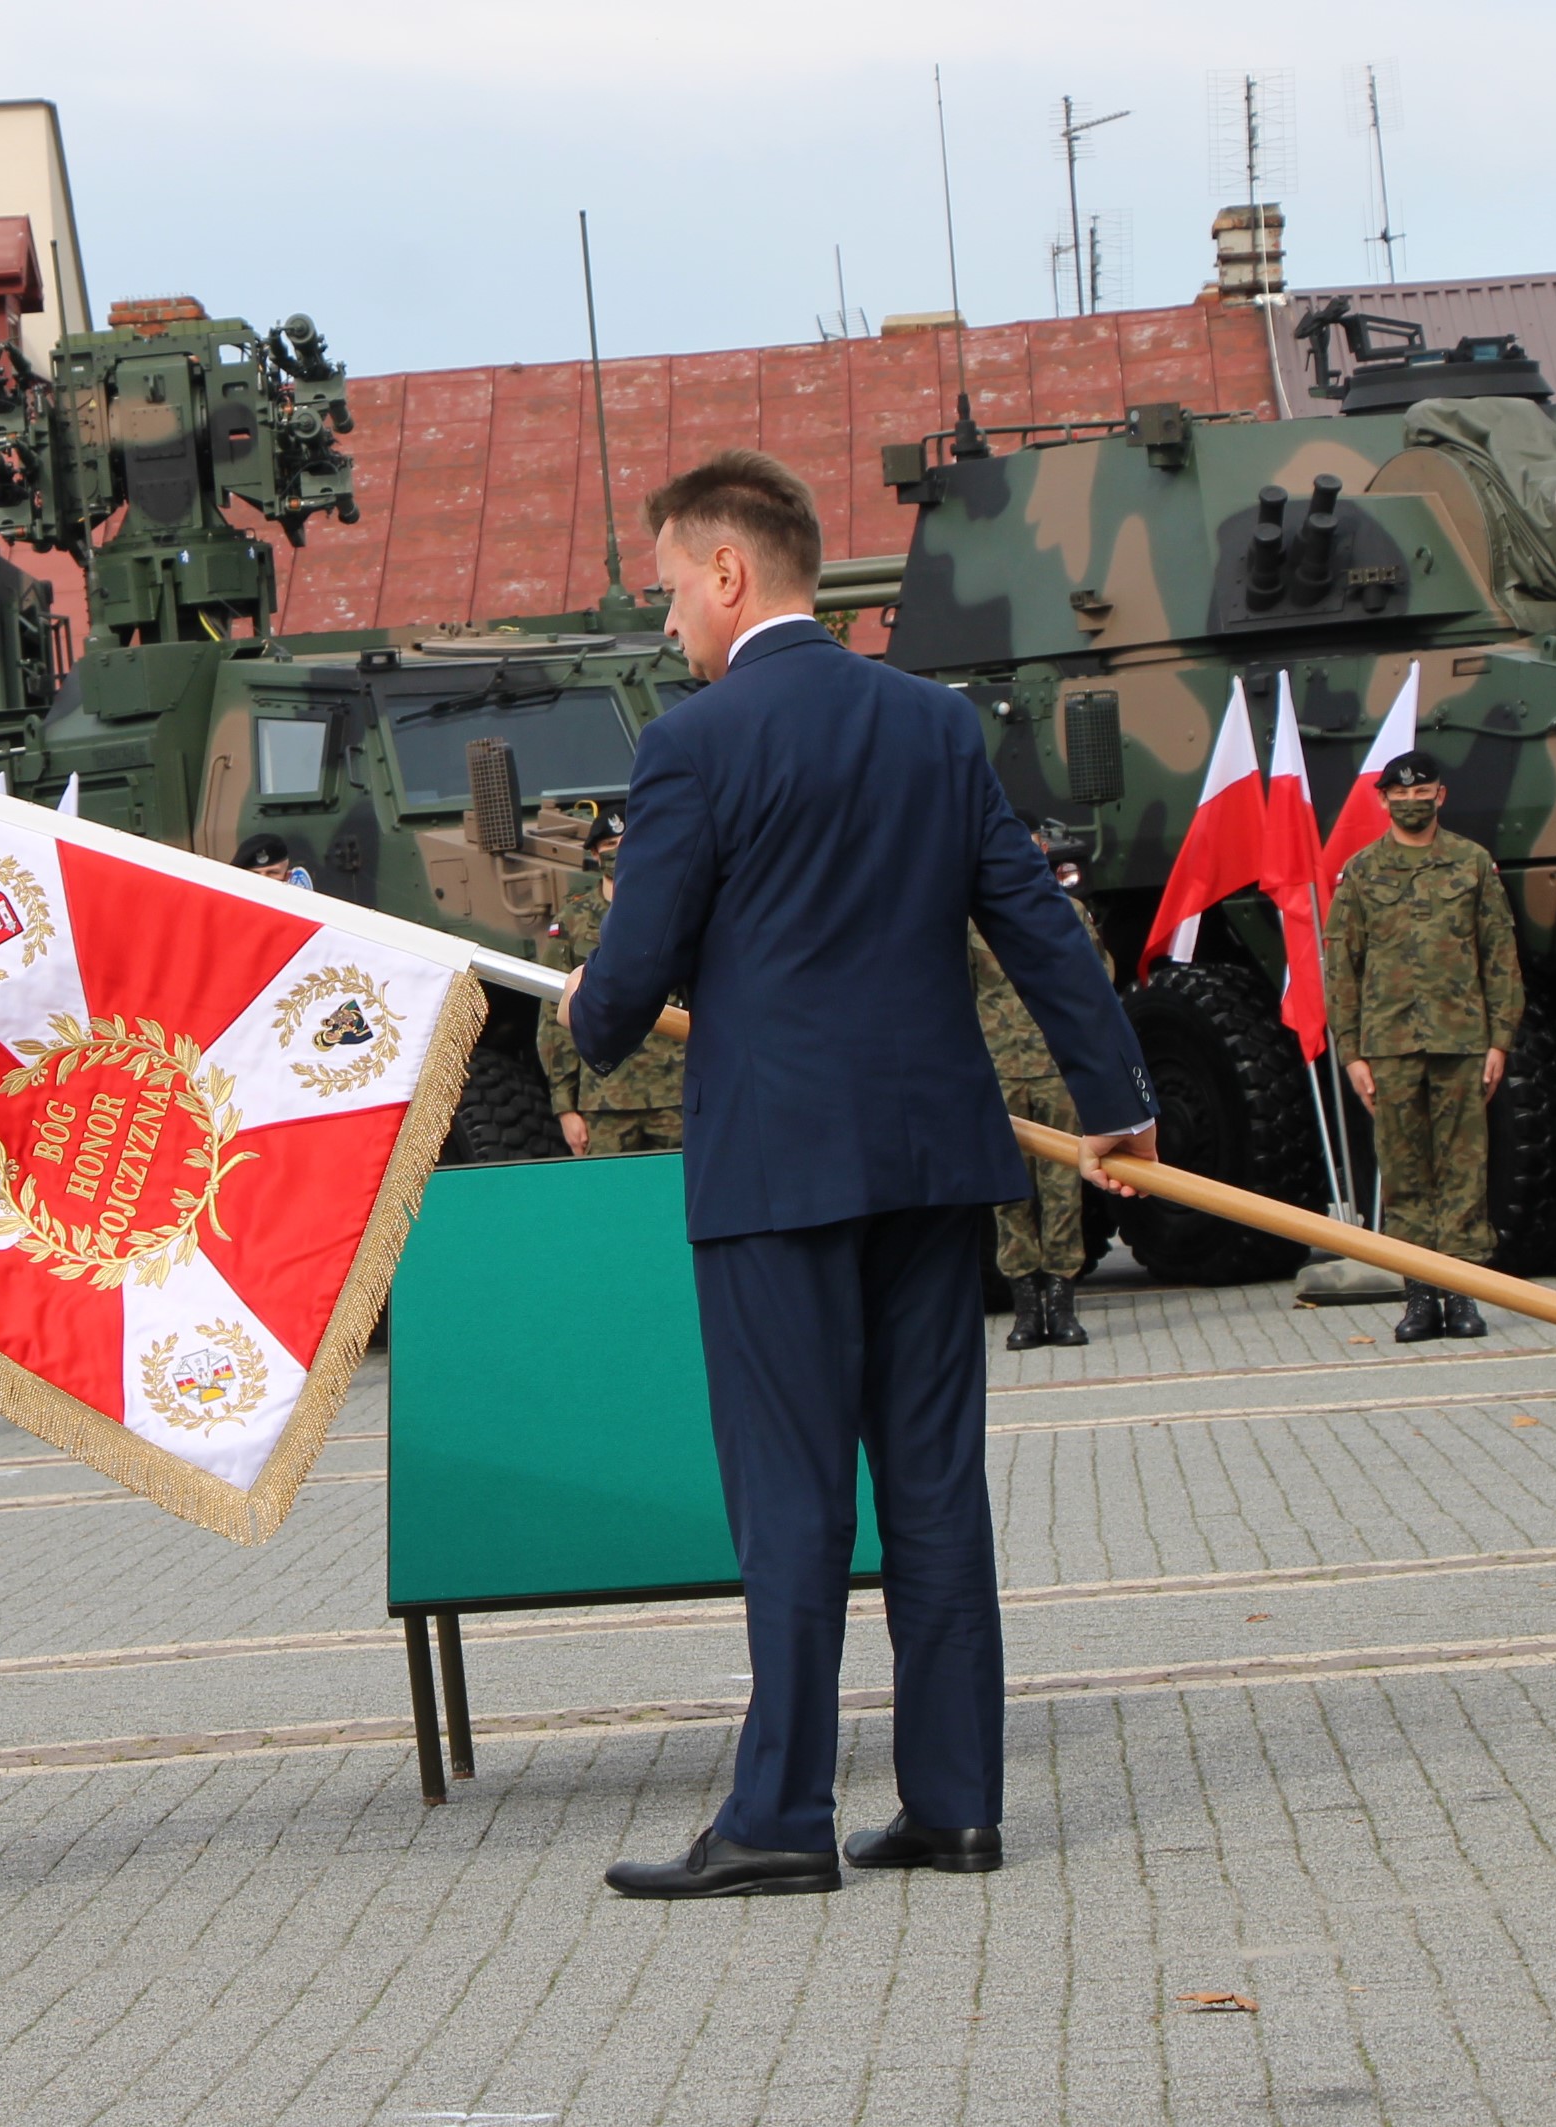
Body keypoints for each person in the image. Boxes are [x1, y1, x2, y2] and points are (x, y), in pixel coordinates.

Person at [566, 451, 1157, 1897]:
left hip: (777, 1166)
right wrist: (1116, 1099)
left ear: (727, 570)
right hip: (932, 1156)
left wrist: (588, 1000)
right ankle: (954, 1801)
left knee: (792, 1496)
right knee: (937, 1483)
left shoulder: (696, 743)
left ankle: (779, 1814)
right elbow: (1032, 921)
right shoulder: (932, 724)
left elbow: (630, 983)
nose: (667, 628)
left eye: (668, 592)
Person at [1326, 751, 1524, 1343]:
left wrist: (1500, 1041)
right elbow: (1342, 967)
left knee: (1464, 1169)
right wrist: (1352, 1053)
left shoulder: (1471, 864)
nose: (1411, 800)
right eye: (1399, 793)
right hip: (1388, 1047)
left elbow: (1501, 958)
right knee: (1405, 1172)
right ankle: (1419, 1297)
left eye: (1423, 791)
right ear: (1382, 799)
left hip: (1462, 1041)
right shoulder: (1361, 873)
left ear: (1440, 795)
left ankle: (1462, 1294)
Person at [978, 819, 1112, 1350]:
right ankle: (1025, 1309)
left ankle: (1062, 1302)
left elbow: (1096, 994)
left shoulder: (1069, 915)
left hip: (1058, 1072)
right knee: (1010, 1194)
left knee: (1063, 1190)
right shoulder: (969, 926)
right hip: (997, 1073)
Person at [536, 814, 684, 1156]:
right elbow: (555, 1013)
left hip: (675, 1092)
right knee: (612, 1201)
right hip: (603, 1099)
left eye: (627, 842)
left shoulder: (670, 906)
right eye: (610, 845)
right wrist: (565, 1106)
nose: (620, 851)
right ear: (595, 853)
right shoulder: (574, 919)